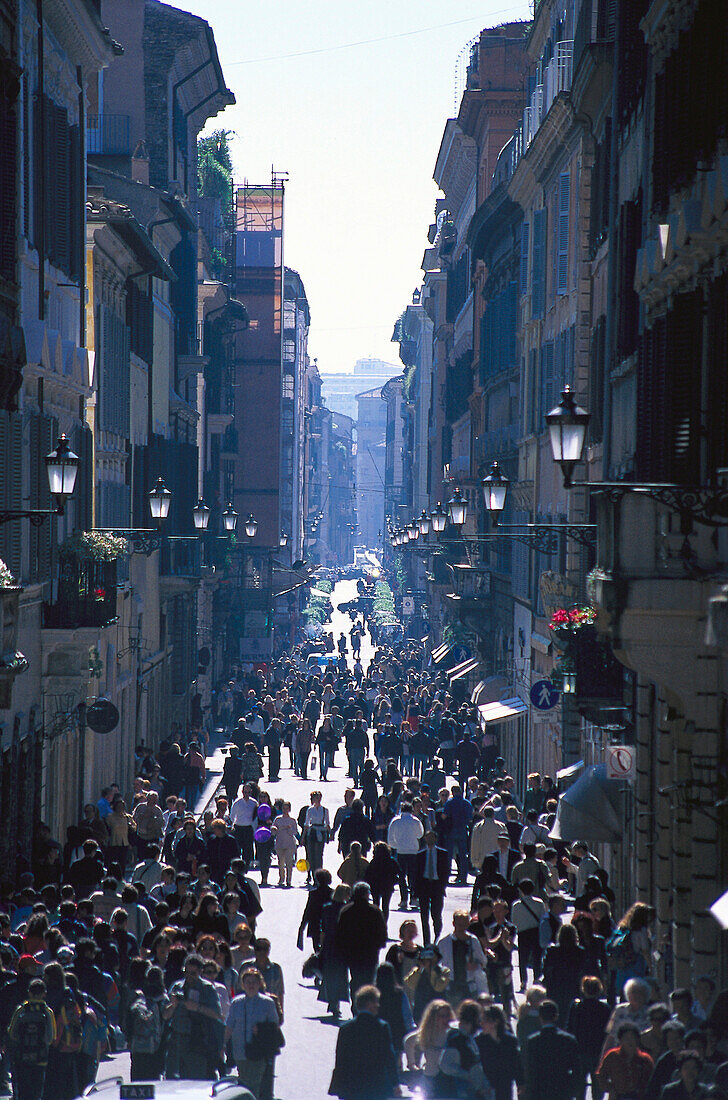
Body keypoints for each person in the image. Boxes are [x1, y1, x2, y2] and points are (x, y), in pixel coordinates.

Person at [328, 984, 399, 1100]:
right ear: (369, 1004)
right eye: (376, 1001)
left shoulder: (346, 1028)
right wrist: (395, 1083)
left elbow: (340, 1058)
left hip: (351, 1086)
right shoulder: (381, 1027)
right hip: (375, 1085)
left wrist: (339, 1085)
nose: (378, 1005)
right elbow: (389, 1056)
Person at [225, 967, 281, 1100]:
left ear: (260, 984)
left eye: (254, 982)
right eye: (248, 982)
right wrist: (222, 1045)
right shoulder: (236, 1003)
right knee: (244, 1083)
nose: (251, 985)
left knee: (254, 1084)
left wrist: (262, 1029)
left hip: (259, 1051)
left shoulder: (267, 1003)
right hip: (240, 1051)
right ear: (243, 985)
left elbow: (274, 1026)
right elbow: (229, 1026)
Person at [167, 953, 222, 1080]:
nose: (189, 977)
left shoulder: (207, 988)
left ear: (200, 972)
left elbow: (217, 1014)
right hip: (177, 1039)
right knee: (173, 1080)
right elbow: (165, 1015)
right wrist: (173, 1005)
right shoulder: (177, 987)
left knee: (195, 1080)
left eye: (193, 973)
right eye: (186, 972)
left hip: (197, 1040)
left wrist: (197, 1007)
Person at [335, 882, 387, 999]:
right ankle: (367, 1003)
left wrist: (342, 949)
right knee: (369, 980)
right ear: (366, 895)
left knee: (355, 979)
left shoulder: (346, 911)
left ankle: (355, 1003)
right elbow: (382, 931)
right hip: (370, 953)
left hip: (352, 953)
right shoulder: (375, 911)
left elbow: (340, 932)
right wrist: (380, 944)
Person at [6, 978, 56, 1100]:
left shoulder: (21, 1010)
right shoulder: (47, 1011)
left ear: (29, 992)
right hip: (40, 1058)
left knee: (23, 1090)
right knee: (37, 1091)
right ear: (44, 993)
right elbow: (51, 1037)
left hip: (22, 1057)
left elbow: (12, 1032)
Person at [526, 999, 583, 1100]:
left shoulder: (533, 1041)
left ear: (540, 1017)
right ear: (556, 1016)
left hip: (541, 1090)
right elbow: (577, 1068)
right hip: (562, 1088)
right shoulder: (568, 1039)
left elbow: (530, 1069)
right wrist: (573, 1089)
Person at [566, 975, 612, 1097]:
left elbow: (569, 1028)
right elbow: (608, 1031)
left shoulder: (576, 1007)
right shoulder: (604, 1008)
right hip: (598, 1051)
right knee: (597, 1086)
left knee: (579, 1085)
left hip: (579, 1050)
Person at [436, 998, 490, 1099]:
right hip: (461, 1089)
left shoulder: (473, 1037)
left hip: (475, 1090)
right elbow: (446, 1065)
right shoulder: (456, 1038)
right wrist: (467, 1075)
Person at [437, 910, 488, 1005]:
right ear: (453, 923)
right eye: (459, 924)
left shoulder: (473, 941)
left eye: (464, 924)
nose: (461, 928)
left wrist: (476, 965)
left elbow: (483, 961)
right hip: (451, 987)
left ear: (468, 924)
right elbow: (436, 963)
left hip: (469, 987)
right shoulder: (444, 942)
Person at [542, 923, 587, 1024]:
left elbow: (546, 969)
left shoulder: (552, 951)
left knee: (557, 1015)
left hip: (556, 986)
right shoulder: (580, 951)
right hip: (573, 985)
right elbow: (583, 970)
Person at [477, 1003, 524, 1100]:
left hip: (504, 1085)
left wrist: (520, 1082)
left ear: (495, 1022)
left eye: (485, 1020)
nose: (481, 1023)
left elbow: (516, 1063)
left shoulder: (510, 1041)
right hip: (486, 1087)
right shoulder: (479, 1041)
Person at [596, 1022, 653, 1100]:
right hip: (618, 1096)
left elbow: (652, 1080)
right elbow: (601, 1075)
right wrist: (610, 1089)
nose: (630, 1041)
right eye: (626, 1038)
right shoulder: (612, 1056)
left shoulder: (645, 1059)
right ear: (620, 1040)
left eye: (632, 1038)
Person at [320, 886, 351, 1019]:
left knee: (330, 974)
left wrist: (321, 945)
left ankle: (332, 1001)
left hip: (329, 944)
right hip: (342, 945)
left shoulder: (327, 907)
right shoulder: (347, 909)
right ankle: (335, 1002)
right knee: (341, 975)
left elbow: (323, 927)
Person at [403, 998, 454, 1083]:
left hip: (450, 1079)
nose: (445, 1019)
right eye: (441, 1016)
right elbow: (408, 1041)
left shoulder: (454, 1033)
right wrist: (412, 1064)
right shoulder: (427, 1033)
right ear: (433, 1018)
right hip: (431, 1078)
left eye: (447, 1015)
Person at [413, 830, 449, 946]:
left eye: (432, 837)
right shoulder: (420, 854)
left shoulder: (442, 853)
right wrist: (415, 891)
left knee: (436, 915)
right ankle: (426, 942)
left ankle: (437, 936)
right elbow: (416, 873)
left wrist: (443, 885)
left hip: (437, 886)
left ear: (435, 839)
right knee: (424, 916)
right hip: (424, 886)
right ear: (425, 839)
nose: (429, 840)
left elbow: (445, 871)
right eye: (427, 837)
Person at [388, 802, 424, 910]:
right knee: (413, 875)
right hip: (413, 851)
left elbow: (390, 838)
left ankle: (404, 899)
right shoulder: (415, 820)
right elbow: (420, 834)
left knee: (401, 876)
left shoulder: (395, 821)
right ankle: (414, 897)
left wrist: (396, 845)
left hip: (401, 851)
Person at [511, 879, 545, 990]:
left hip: (523, 933)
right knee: (537, 956)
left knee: (523, 958)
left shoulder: (516, 905)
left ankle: (523, 980)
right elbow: (543, 918)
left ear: (520, 890)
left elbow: (513, 921)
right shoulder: (539, 903)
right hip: (536, 931)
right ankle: (536, 977)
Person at [366, 841, 400, 923]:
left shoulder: (374, 862)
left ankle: (376, 923)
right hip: (387, 886)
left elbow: (368, 874)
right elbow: (398, 872)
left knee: (375, 905)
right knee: (385, 906)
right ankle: (384, 924)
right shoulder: (391, 861)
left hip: (375, 886)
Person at [271, 802, 299, 888]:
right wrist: (274, 829)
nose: (285, 810)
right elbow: (273, 829)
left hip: (289, 844)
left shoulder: (292, 820)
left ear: (289, 810)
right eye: (283, 808)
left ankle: (288, 879)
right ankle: (281, 878)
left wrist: (290, 829)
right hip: (280, 843)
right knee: (281, 862)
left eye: (287, 809)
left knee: (289, 862)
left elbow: (295, 832)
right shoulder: (278, 819)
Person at [303, 792, 331, 876]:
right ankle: (311, 874)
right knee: (311, 854)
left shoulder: (325, 810)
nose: (317, 800)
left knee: (319, 854)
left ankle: (319, 874)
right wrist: (303, 837)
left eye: (319, 798)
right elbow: (307, 824)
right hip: (312, 831)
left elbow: (327, 823)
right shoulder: (310, 809)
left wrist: (328, 835)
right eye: (316, 798)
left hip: (321, 831)